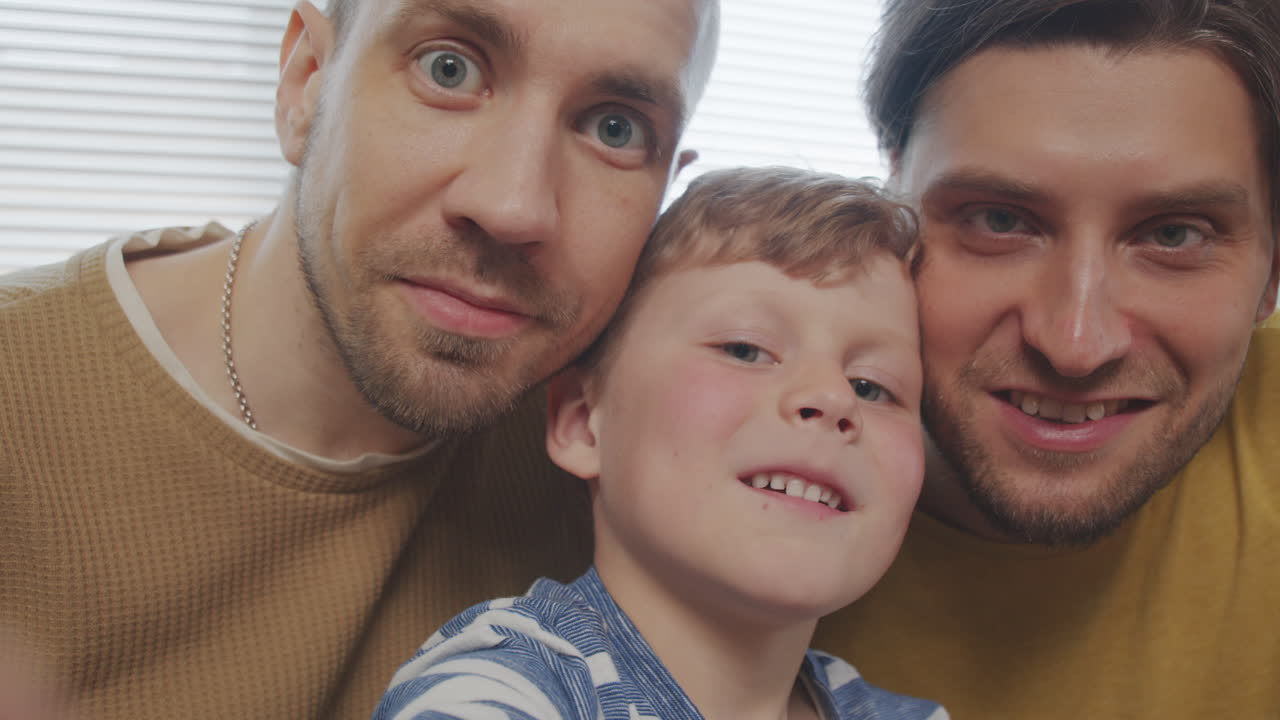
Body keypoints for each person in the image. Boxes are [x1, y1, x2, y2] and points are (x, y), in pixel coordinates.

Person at [0, 0, 718, 717]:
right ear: (307, 81)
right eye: (449, 69)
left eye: (616, 129)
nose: (513, 207)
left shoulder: (647, 462)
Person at [811, 0, 1280, 717]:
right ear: (891, 207)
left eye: (1175, 235)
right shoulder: (673, 465)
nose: (1075, 344)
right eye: (999, 221)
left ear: (1273, 269)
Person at [372, 166, 947, 720]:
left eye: (873, 387)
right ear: (583, 422)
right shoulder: (502, 683)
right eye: (745, 350)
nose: (834, 398)